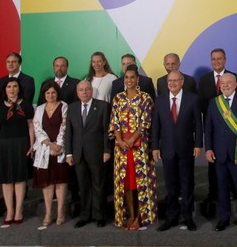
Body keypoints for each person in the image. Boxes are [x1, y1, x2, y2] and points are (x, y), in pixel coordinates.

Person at [204, 73, 237, 231]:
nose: (225, 85)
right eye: (222, 83)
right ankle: (224, 218)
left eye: (229, 82)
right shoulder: (214, 102)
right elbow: (209, 128)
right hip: (219, 153)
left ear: (235, 84)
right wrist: (209, 149)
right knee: (221, 189)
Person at [152, 70, 203, 232]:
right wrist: (155, 147)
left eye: (175, 80)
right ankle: (171, 217)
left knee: (187, 184)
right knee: (171, 185)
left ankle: (188, 217)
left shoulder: (192, 99)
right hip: (167, 150)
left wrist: (198, 144)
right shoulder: (159, 100)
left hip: (187, 148)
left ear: (182, 81)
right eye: (169, 81)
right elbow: (155, 127)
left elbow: (198, 125)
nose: (172, 83)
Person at [111, 65, 157, 230]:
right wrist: (121, 140)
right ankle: (130, 214)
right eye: (126, 77)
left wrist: (132, 140)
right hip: (121, 149)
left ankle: (140, 216)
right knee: (126, 183)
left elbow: (145, 123)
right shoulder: (118, 98)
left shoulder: (145, 98)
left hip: (139, 148)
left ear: (138, 79)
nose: (129, 80)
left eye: (132, 77)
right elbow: (114, 122)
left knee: (139, 182)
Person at [65, 80, 112, 228]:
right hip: (78, 154)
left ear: (92, 91)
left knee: (98, 185)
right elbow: (69, 133)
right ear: (77, 92)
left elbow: (106, 131)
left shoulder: (103, 106)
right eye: (81, 90)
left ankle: (100, 215)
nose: (84, 92)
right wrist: (68, 153)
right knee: (83, 186)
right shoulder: (72, 108)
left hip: (98, 153)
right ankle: (85, 216)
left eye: (87, 89)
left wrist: (107, 150)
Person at [198, 48, 237, 205]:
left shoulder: (234, 78)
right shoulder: (203, 80)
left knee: (232, 162)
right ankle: (213, 193)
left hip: (231, 128)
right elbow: (201, 103)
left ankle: (234, 191)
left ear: (225, 59)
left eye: (219, 59)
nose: (216, 61)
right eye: (213, 59)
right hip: (214, 127)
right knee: (214, 163)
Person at [0, 78, 35, 227]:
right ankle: (9, 211)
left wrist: (32, 144)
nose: (12, 89)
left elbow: (30, 126)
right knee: (6, 179)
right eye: (9, 86)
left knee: (20, 178)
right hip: (3, 145)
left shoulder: (27, 105)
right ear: (5, 89)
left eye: (15, 86)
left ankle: (18, 210)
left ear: (19, 88)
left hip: (22, 144)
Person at [33, 82, 69, 227]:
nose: (50, 95)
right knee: (47, 183)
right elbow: (37, 128)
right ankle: (48, 213)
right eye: (47, 93)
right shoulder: (40, 109)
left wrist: (58, 145)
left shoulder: (64, 106)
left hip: (59, 150)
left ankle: (60, 212)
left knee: (60, 182)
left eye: (53, 93)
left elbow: (64, 126)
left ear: (57, 93)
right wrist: (49, 144)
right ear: (44, 95)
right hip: (45, 150)